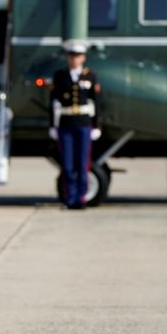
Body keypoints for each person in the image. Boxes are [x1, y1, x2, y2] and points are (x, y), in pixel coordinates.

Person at [48, 39, 101, 209]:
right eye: (71, 55)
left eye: (77, 55)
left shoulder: (90, 76)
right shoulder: (60, 76)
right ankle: (70, 198)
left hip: (84, 124)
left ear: (83, 58)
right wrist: (52, 125)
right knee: (68, 165)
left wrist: (96, 126)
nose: (74, 59)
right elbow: (53, 102)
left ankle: (81, 199)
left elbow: (96, 102)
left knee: (82, 164)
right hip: (65, 123)